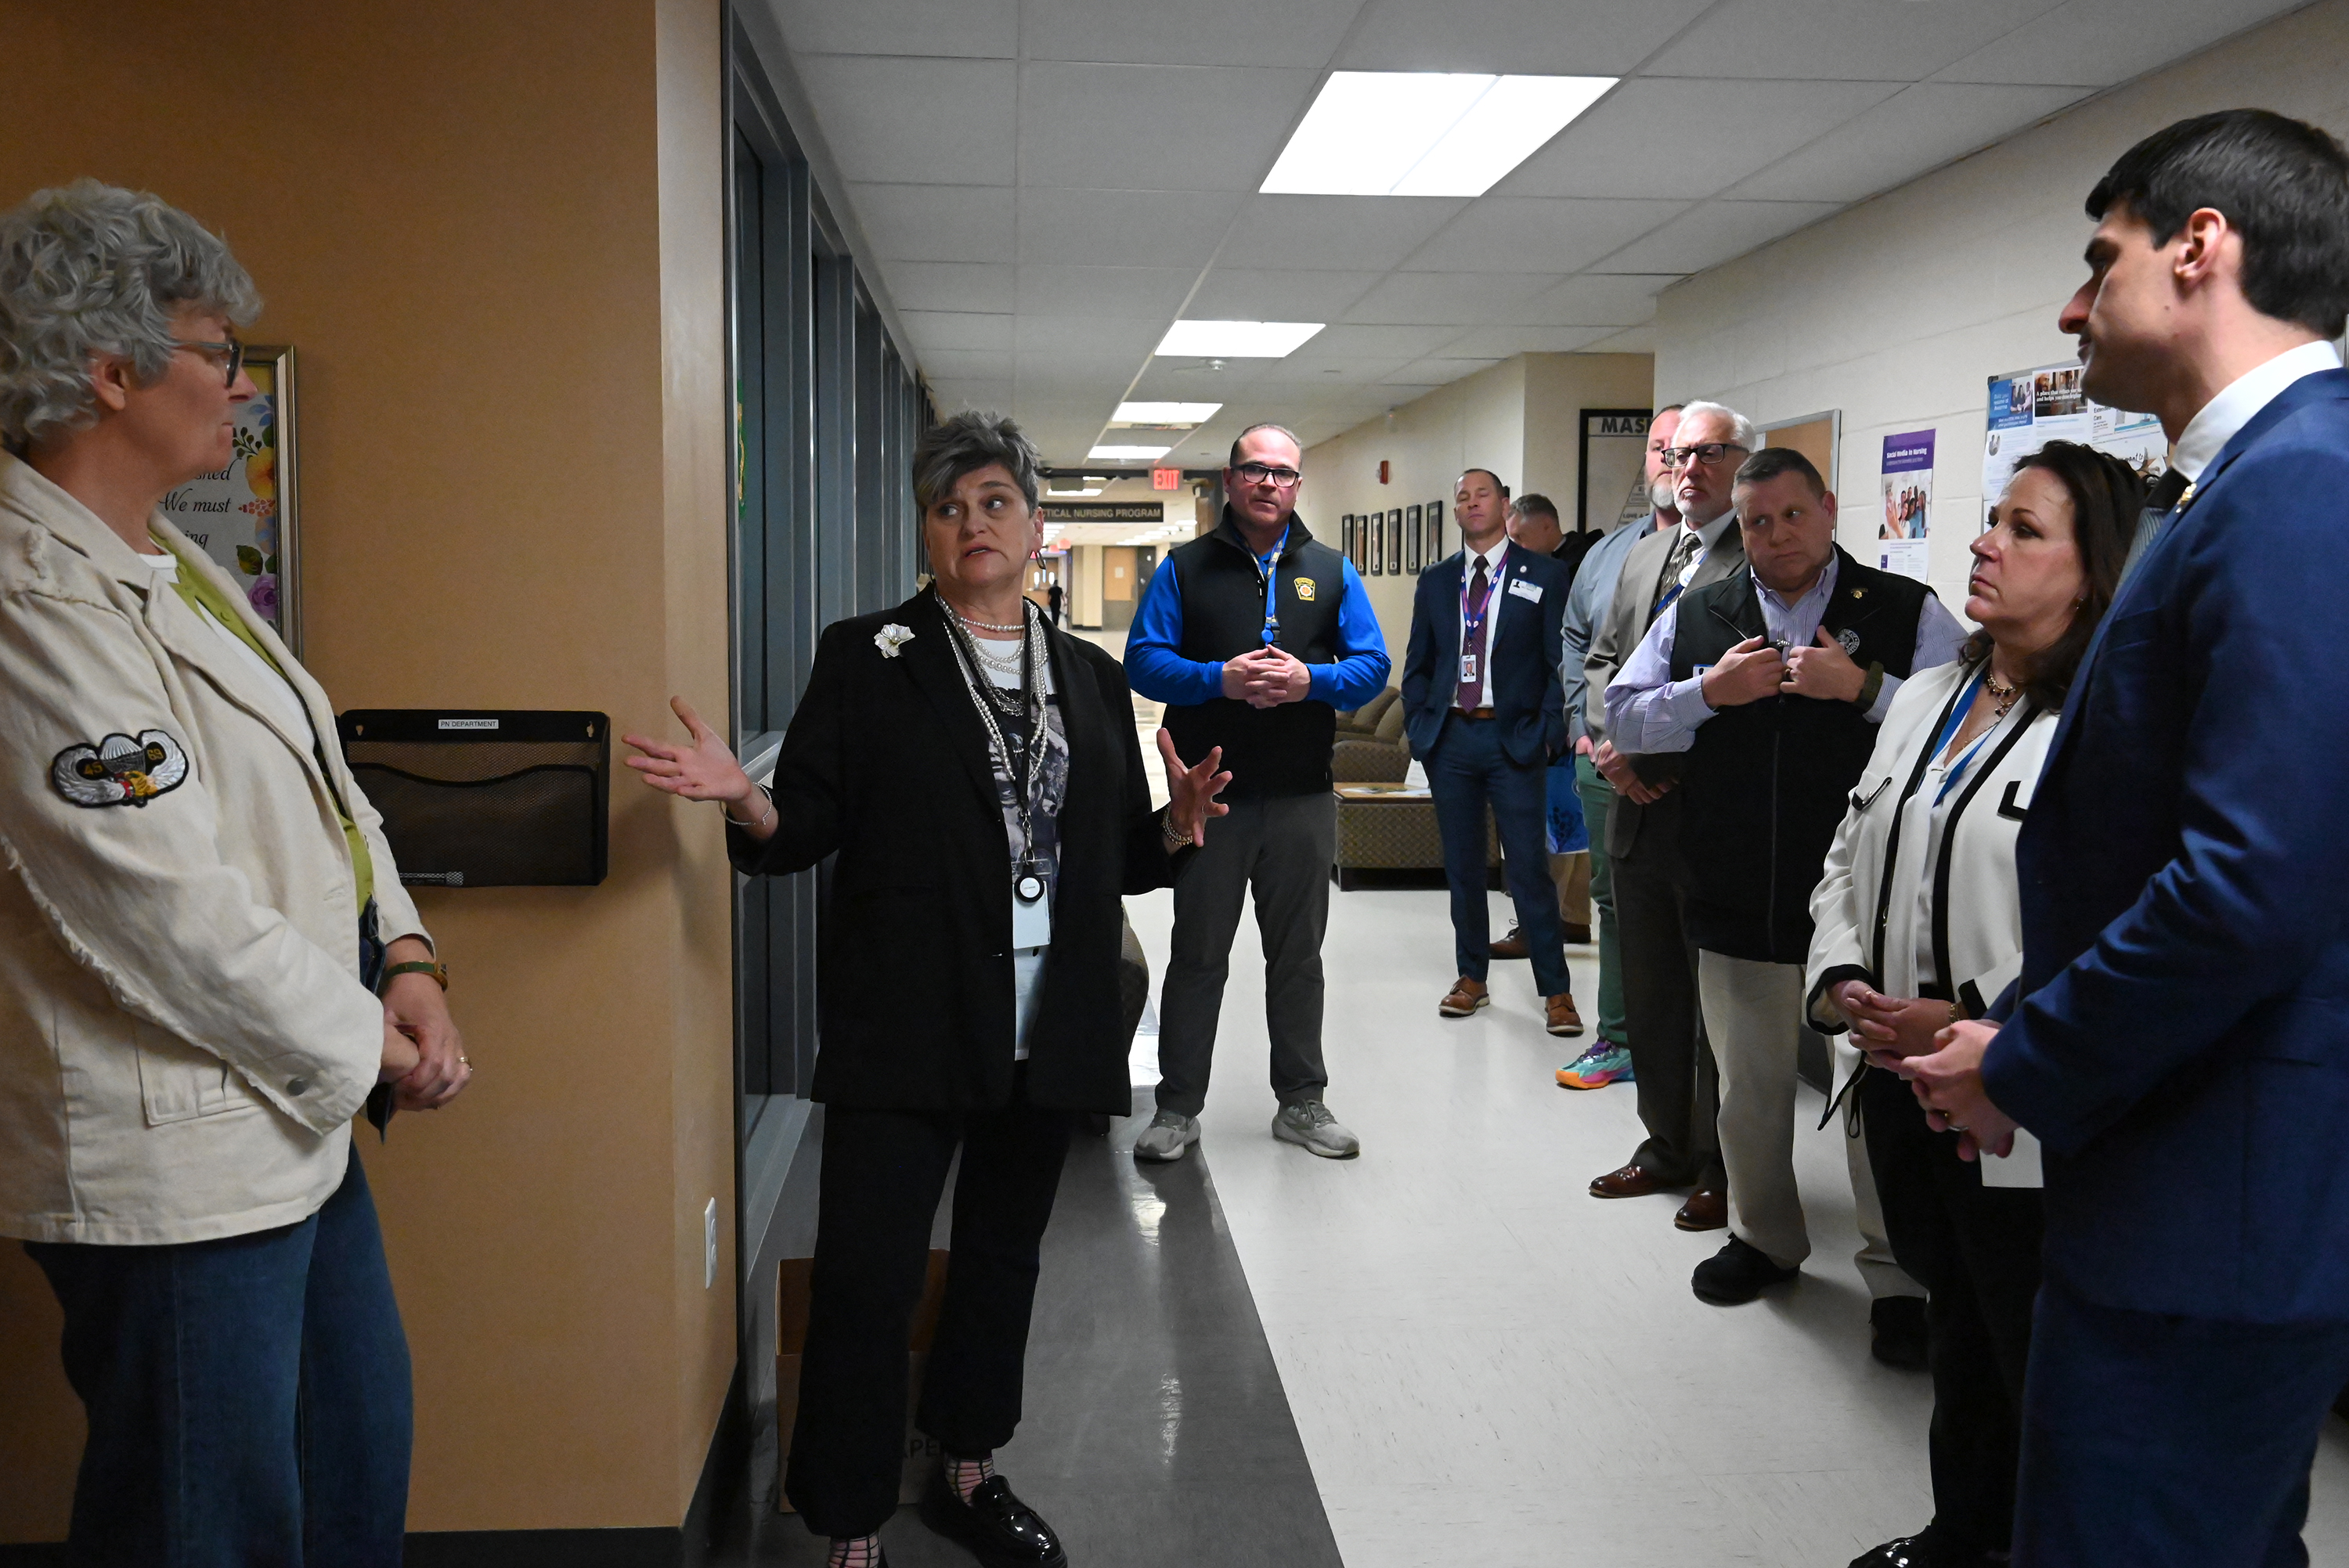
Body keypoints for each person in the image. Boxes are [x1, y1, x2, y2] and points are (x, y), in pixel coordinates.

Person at [625, 410, 1229, 1568]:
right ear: (928, 534)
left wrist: (1177, 828)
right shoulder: (868, 655)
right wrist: (744, 800)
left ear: (1038, 524)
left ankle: (968, 1460)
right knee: (868, 1268)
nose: (971, 525)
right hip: (906, 1017)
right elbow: (804, 823)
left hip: (1048, 1023)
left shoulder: (1091, 677)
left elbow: (1106, 852)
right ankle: (850, 1518)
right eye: (947, 509)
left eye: (994, 502)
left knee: (1005, 1254)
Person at [0, 180, 471, 1566]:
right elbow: (163, 911)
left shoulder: (173, 564)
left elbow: (332, 787)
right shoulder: (33, 599)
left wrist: (409, 956)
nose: (237, 389)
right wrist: (372, 1045)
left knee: (349, 1473)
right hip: (181, 1167)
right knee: (204, 1524)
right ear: (107, 368)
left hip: (291, 1124)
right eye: (214, 353)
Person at [1905, 110, 2349, 1565]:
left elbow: (2247, 888)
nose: (2073, 304)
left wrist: (2024, 1058)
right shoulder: (2252, 482)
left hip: (2211, 1208)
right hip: (2182, 1178)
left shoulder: (2300, 488)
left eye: (2103, 260)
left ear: (2201, 249)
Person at [1809, 443, 2139, 1568]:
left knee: (2028, 1344)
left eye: (2026, 529)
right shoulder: (1930, 695)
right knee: (1956, 1322)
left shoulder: (2108, 725)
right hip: (1901, 1084)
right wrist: (1841, 980)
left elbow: (2113, 916)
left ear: (2094, 573)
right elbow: (1853, 845)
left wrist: (1962, 1017)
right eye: (1992, 517)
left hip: (2013, 1092)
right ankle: (1964, 1531)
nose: (1984, 541)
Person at [1607, 446, 1958, 1325]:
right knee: (1749, 1088)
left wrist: (1866, 688)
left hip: (1867, 909)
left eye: (1793, 515)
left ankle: (1900, 1274)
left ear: (1830, 509)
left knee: (1870, 1096)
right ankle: (1765, 1238)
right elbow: (1620, 712)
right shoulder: (1701, 612)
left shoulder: (1902, 608)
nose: (1775, 535)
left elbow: (1965, 723)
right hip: (1733, 891)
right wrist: (1704, 694)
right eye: (1758, 520)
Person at [1124, 422, 1390, 1163]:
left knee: (1299, 956)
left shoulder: (1331, 571)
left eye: (1283, 473)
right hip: (1211, 798)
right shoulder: (1185, 568)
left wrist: (1313, 681)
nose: (1269, 483)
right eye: (1254, 471)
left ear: (1298, 485)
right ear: (1231, 480)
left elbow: (1371, 665)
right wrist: (1220, 679)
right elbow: (1142, 662)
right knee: (1199, 954)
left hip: (1303, 796)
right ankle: (1177, 1107)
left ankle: (1302, 1101)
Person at [1581, 401, 1748, 1230]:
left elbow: (1750, 687)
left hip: (1708, 810)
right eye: (1679, 454)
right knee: (1650, 990)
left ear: (1742, 462)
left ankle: (1724, 1164)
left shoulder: (1763, 558)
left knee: (1714, 1006)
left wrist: (1652, 758)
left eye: (1711, 453)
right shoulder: (1647, 554)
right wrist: (1613, 746)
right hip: (1634, 809)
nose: (1690, 469)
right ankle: (1665, 1145)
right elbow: (1605, 658)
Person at [1400, 467, 1579, 1035]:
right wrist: (1420, 726)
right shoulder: (1436, 580)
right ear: (1455, 512)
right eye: (1462, 497)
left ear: (1505, 505)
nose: (1472, 504)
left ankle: (1557, 991)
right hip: (1451, 738)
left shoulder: (1545, 574)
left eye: (1483, 495)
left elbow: (1560, 661)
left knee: (1528, 869)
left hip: (1515, 739)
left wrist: (1549, 729)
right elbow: (1418, 663)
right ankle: (1471, 977)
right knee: (1463, 867)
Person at [1555, 404, 1680, 1090]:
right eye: (1658, 447)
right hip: (1604, 759)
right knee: (1613, 900)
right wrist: (1587, 727)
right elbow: (1579, 640)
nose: (1668, 460)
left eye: (1682, 448)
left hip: (1684, 770)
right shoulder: (1609, 554)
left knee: (1684, 903)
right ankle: (1620, 1037)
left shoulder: (1731, 549)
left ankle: (1678, 1046)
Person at [1488, 492, 1592, 957]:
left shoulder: (1569, 573)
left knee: (1542, 827)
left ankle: (1536, 926)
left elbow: (1560, 656)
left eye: (1521, 538)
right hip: (1569, 718)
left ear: (1548, 528)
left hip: (1555, 719)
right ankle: (1571, 919)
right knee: (1572, 822)